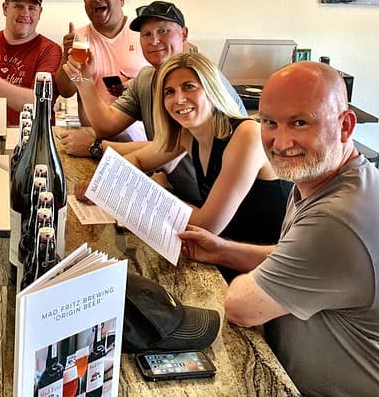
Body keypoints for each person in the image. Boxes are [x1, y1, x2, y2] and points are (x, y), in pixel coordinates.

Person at [179, 62, 379, 395]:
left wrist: (240, 274)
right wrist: (224, 251)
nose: (281, 142)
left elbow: (241, 307)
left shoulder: (339, 218)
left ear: (345, 126)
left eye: (300, 122)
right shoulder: (323, 180)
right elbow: (295, 258)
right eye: (269, 122)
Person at [118, 52, 289, 280]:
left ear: (211, 88)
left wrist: (152, 191)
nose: (179, 100)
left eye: (189, 87)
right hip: (221, 255)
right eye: (169, 92)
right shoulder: (187, 134)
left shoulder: (247, 135)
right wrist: (104, 182)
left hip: (267, 270)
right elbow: (137, 160)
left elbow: (206, 226)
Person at [62, 1, 246, 206]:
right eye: (146, 34)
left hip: (216, 206)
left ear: (184, 34)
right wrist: (85, 83)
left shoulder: (206, 80)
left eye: (163, 31)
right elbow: (109, 127)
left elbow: (165, 150)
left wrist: (95, 147)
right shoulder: (146, 78)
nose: (154, 40)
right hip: (179, 198)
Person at [53, 0, 146, 140]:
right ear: (84, 1)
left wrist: (134, 86)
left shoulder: (143, 34)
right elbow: (66, 91)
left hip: (137, 139)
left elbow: (161, 81)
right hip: (91, 136)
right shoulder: (78, 39)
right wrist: (66, 57)